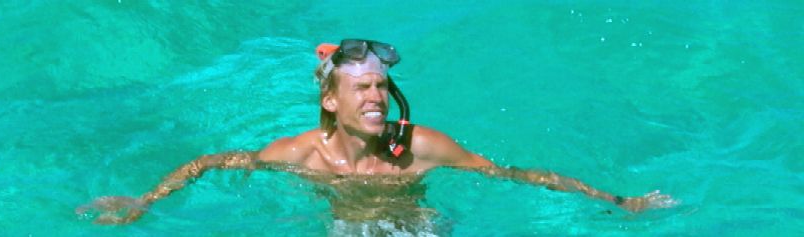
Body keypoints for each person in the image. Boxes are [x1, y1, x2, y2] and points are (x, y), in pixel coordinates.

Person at [78, 39, 677, 228]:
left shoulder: (419, 148)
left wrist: (618, 202)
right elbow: (210, 162)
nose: (374, 95)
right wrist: (145, 201)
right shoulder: (300, 156)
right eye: (360, 86)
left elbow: (515, 176)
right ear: (331, 100)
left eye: (381, 85)